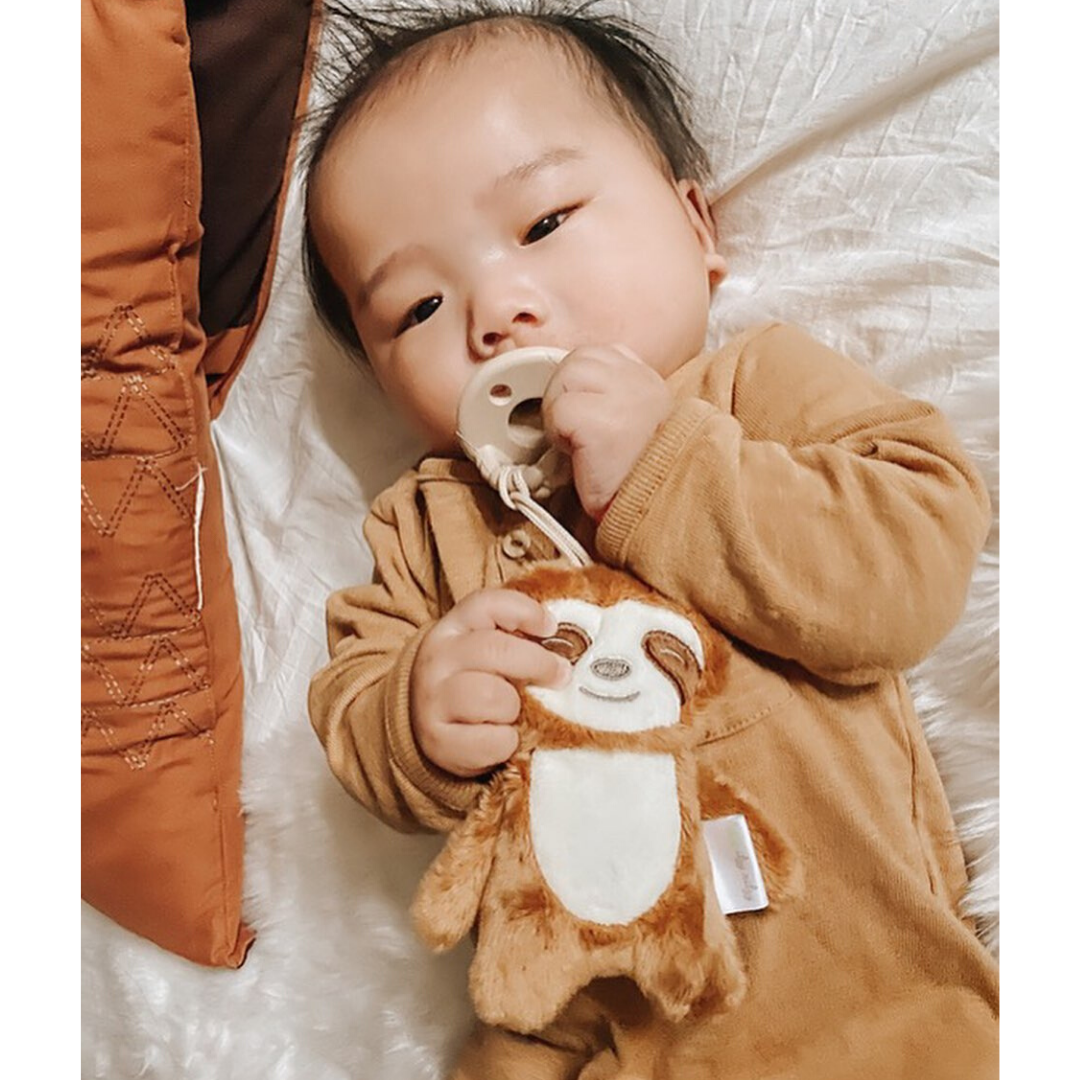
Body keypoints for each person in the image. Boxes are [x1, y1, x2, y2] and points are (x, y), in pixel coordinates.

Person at [304, 4, 1000, 1077]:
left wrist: (667, 463)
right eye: (418, 306)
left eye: (542, 225)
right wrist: (413, 716)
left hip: (869, 994)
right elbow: (356, 705)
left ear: (696, 226)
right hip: (573, 1025)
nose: (496, 311)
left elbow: (911, 558)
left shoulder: (753, 390)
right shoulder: (433, 522)